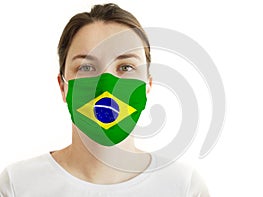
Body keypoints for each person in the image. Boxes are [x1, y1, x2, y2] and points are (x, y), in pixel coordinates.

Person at [0, 3, 210, 196]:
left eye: (126, 67)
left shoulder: (183, 186)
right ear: (63, 86)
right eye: (86, 68)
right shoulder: (18, 184)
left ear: (148, 86)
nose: (106, 87)